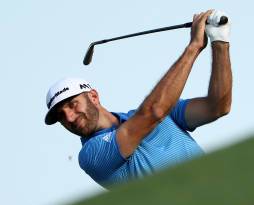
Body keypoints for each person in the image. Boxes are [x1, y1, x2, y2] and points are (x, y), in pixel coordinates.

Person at [44, 10, 232, 189]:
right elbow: (154, 112)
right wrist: (193, 47)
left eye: (72, 105)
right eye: (61, 116)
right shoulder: (91, 155)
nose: (68, 117)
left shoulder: (162, 114)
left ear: (93, 96)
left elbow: (217, 106)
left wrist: (219, 41)